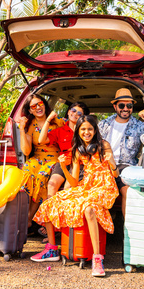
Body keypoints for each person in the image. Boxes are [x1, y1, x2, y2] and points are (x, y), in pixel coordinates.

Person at [31, 115, 119, 277]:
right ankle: (52, 249)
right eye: (83, 129)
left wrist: (112, 163)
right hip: (86, 187)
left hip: (105, 187)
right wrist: (64, 167)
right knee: (50, 203)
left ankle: (97, 259)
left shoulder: (103, 145)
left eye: (90, 129)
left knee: (88, 208)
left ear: (95, 130)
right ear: (78, 131)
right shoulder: (77, 150)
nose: (86, 132)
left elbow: (115, 174)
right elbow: (73, 182)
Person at [98, 88, 144, 217]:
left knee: (127, 190)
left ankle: (128, 232)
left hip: (126, 167)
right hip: (103, 165)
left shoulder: (138, 126)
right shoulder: (104, 124)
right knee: (95, 190)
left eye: (129, 105)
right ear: (115, 106)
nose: (125, 108)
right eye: (121, 105)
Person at [37, 102, 89, 241]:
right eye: (73, 110)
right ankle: (51, 228)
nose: (75, 114)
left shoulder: (84, 130)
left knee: (68, 189)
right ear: (68, 112)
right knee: (52, 184)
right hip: (63, 162)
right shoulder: (60, 130)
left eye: (80, 113)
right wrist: (48, 119)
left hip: (80, 163)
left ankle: (62, 226)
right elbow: (41, 140)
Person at [18, 93, 65, 232]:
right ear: (30, 110)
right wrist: (22, 129)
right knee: (26, 172)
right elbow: (26, 152)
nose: (38, 107)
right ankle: (21, 216)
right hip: (37, 158)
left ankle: (29, 218)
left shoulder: (58, 121)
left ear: (44, 104)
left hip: (54, 159)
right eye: (34, 106)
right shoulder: (30, 125)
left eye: (40, 103)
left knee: (41, 176)